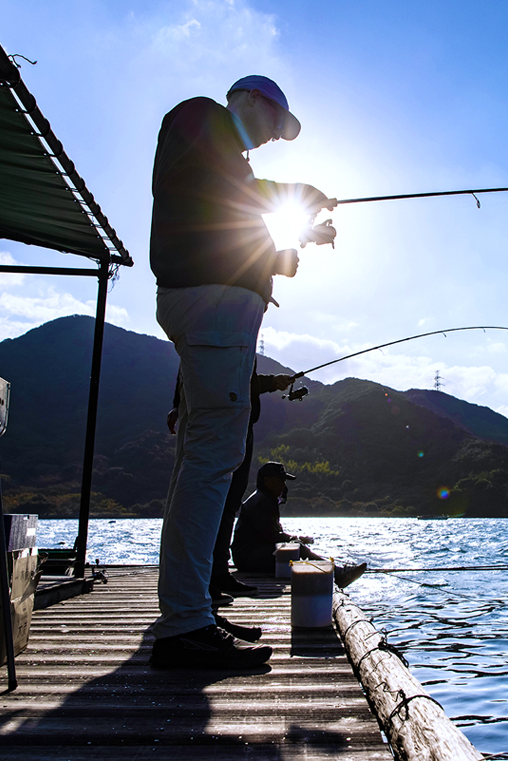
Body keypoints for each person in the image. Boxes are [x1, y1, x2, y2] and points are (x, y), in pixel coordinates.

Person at [149, 75, 334, 670]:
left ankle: (193, 607)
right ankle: (185, 627)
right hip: (211, 312)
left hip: (216, 311)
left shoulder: (226, 160)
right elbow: (225, 191)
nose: (274, 137)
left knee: (200, 462)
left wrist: (291, 246)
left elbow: (226, 223)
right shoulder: (199, 117)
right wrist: (294, 194)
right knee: (210, 462)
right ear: (250, 99)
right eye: (274, 123)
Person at [166, 366, 293, 601]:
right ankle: (209, 580)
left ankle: (216, 575)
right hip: (227, 424)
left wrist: (177, 401)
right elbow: (229, 378)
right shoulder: (230, 332)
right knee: (219, 502)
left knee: (227, 504)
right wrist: (271, 383)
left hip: (239, 423)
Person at [232, 462, 367, 588]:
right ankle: (334, 572)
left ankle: (331, 570)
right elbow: (271, 536)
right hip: (247, 558)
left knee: (295, 547)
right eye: (280, 480)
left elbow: (271, 534)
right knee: (296, 548)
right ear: (267, 481)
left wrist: (295, 540)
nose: (283, 485)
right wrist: (297, 541)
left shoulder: (264, 499)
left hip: (249, 555)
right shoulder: (261, 502)